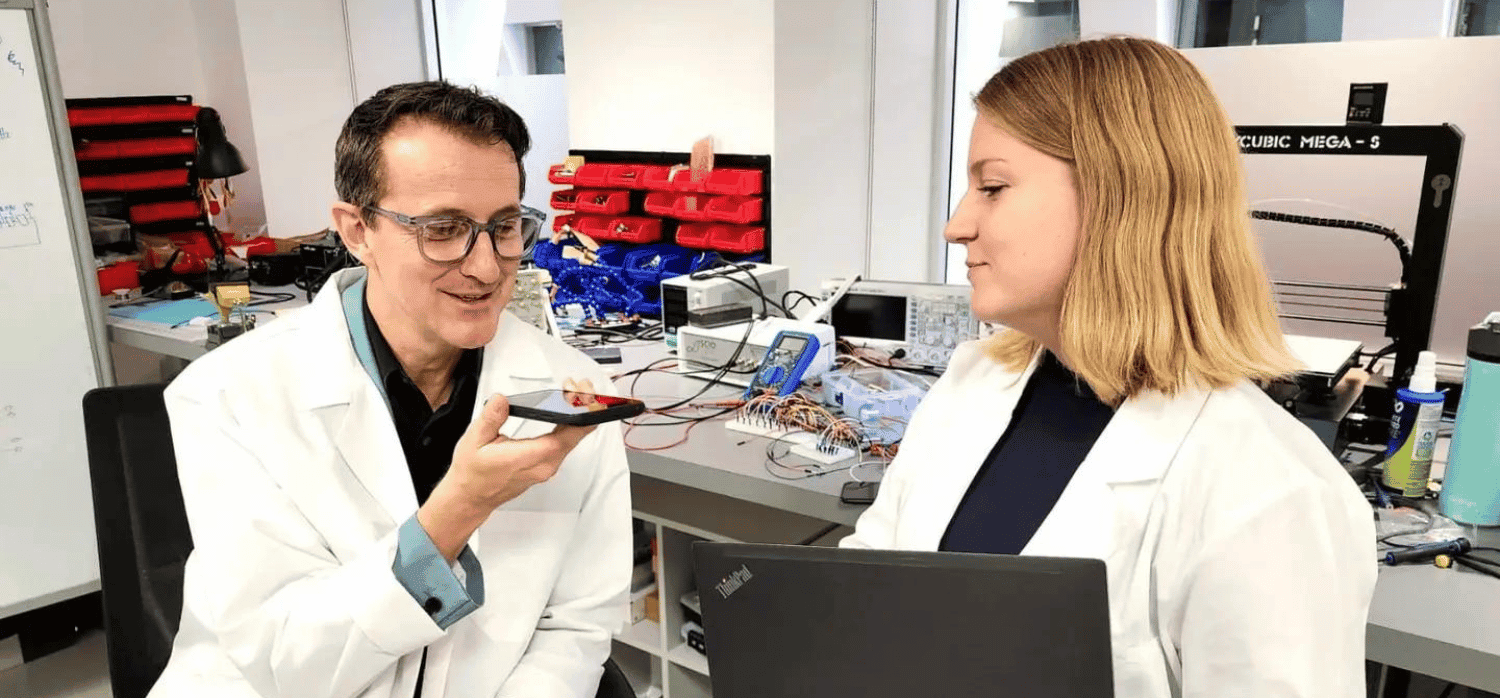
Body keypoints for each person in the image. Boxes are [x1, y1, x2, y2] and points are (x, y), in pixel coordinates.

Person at [842, 37, 1375, 698]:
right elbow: (870, 580)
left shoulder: (1273, 490)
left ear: (1118, 195)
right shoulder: (974, 380)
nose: (956, 226)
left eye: (993, 187)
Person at [152, 82, 631, 698]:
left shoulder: (578, 391)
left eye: (505, 226)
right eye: (443, 228)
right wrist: (455, 512)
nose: (487, 266)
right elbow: (283, 664)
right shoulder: (229, 396)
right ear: (357, 230)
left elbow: (576, 626)